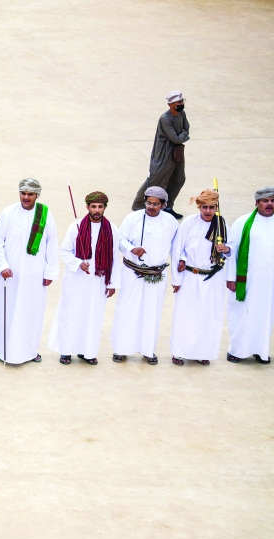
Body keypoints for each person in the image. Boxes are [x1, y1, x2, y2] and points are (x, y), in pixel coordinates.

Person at [0, 178, 59, 364]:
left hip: (35, 276)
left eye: (30, 194)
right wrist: (2, 266)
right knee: (7, 311)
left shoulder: (45, 214)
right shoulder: (8, 213)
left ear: (37, 195)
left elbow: (52, 243)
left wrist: (49, 272)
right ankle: (3, 350)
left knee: (32, 312)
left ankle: (29, 351)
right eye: (23, 193)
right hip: (10, 275)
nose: (26, 197)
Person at [48, 191, 120, 365]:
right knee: (71, 314)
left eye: (100, 207)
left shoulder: (112, 229)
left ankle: (88, 352)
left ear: (104, 208)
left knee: (93, 316)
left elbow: (115, 257)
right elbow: (64, 251)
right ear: (87, 207)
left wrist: (112, 284)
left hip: (99, 281)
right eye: (93, 206)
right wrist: (78, 263)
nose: (96, 210)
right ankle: (66, 351)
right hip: (76, 280)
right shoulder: (76, 226)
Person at [110, 186, 179, 364]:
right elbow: (120, 239)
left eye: (155, 204)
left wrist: (177, 277)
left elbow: (176, 249)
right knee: (126, 309)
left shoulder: (171, 222)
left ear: (163, 205)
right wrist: (133, 248)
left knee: (152, 312)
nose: (151, 207)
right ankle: (120, 349)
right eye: (148, 203)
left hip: (156, 275)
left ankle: (148, 350)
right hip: (132, 272)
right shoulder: (132, 218)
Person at [226, 187, 274, 364]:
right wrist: (231, 278)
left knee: (266, 315)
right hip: (248, 280)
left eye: (273, 200)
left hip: (273, 281)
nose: (269, 204)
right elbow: (233, 251)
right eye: (265, 200)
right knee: (241, 314)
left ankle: (261, 351)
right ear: (257, 203)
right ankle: (236, 351)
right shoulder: (242, 222)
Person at [169, 189, 229, 365]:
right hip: (189, 275)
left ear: (216, 207)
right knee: (185, 315)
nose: (208, 211)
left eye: (211, 207)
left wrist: (226, 249)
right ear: (199, 207)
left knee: (209, 316)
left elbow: (232, 248)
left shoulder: (222, 225)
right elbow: (178, 249)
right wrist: (177, 279)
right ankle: (179, 352)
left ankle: (204, 353)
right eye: (204, 207)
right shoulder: (189, 222)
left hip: (213, 277)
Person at [132, 91, 188, 219]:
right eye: (179, 102)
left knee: (178, 179)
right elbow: (176, 138)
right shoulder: (165, 118)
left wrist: (182, 135)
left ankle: (167, 206)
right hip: (164, 154)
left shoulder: (182, 114)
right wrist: (183, 135)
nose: (181, 103)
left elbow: (186, 128)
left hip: (177, 152)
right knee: (156, 181)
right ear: (171, 104)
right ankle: (139, 207)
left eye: (182, 101)